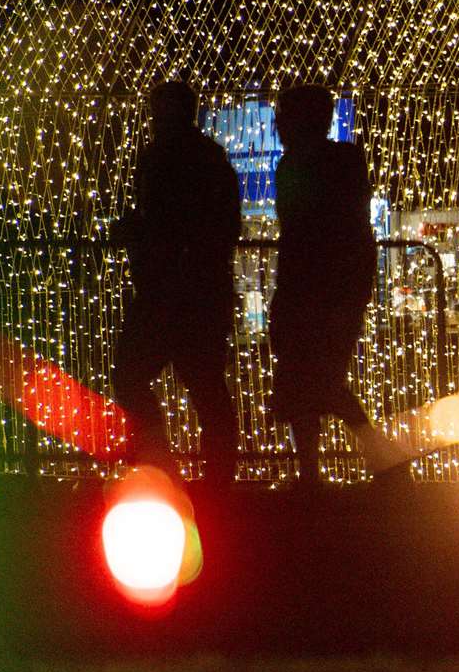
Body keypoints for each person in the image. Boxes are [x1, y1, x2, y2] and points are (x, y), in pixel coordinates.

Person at [268, 84, 404, 486]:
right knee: (320, 379)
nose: (277, 126)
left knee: (312, 379)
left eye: (282, 118)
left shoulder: (296, 164)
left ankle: (335, 465)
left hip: (309, 289)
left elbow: (297, 229)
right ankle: (368, 459)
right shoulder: (347, 160)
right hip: (342, 286)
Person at [112, 80, 241, 479]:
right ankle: (214, 473)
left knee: (134, 374)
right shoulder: (209, 158)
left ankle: (162, 462)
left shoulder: (162, 158)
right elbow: (224, 225)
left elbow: (167, 221)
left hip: (167, 289)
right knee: (204, 384)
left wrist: (141, 233)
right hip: (197, 289)